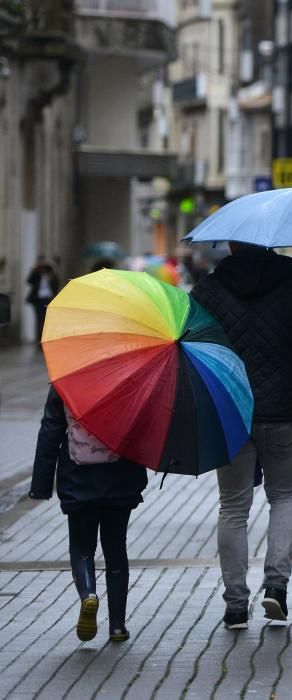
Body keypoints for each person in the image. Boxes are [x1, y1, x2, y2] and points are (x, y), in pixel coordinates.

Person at [192, 241, 292, 629]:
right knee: (285, 497)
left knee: (233, 507)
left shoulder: (209, 288)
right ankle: (276, 589)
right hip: (282, 411)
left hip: (231, 409)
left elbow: (189, 343)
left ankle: (236, 605)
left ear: (231, 244)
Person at [29, 387, 148, 642]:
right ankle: (117, 625)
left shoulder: (67, 378)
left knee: (82, 548)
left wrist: (41, 484)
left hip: (78, 479)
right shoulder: (130, 378)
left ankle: (88, 594)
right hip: (121, 478)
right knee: (116, 550)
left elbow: (51, 429)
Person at [25, 256, 59, 343]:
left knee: (46, 319)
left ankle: (46, 338)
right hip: (38, 299)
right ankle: (39, 339)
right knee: (39, 319)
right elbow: (29, 281)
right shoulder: (37, 273)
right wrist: (35, 268)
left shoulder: (50, 272)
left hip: (48, 298)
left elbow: (56, 283)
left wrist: (52, 268)